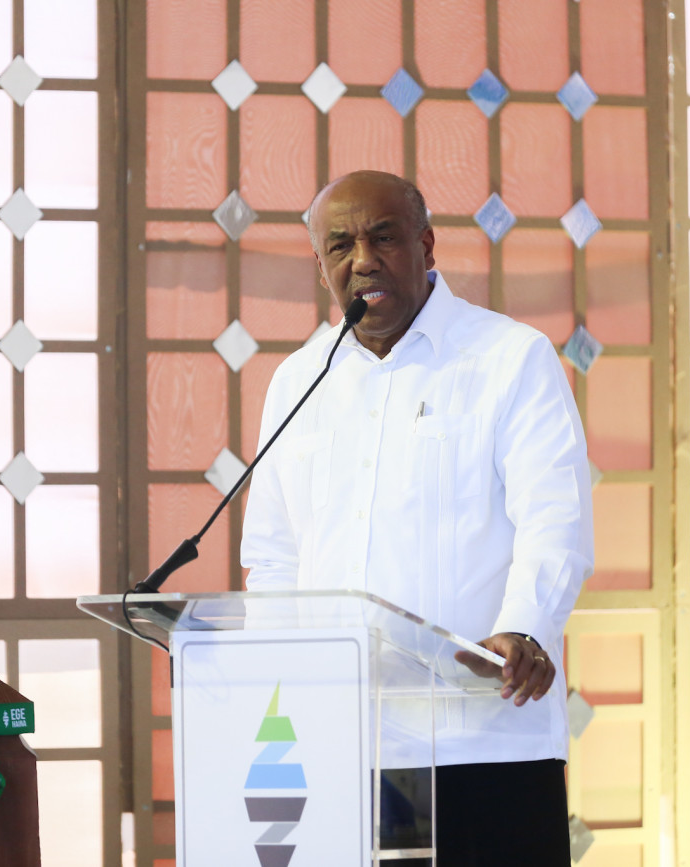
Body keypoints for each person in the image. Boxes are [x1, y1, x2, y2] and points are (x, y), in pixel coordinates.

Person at [241, 170, 594, 865]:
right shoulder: (298, 381)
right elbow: (275, 555)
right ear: (320, 264)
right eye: (340, 245)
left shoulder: (509, 358)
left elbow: (555, 519)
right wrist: (274, 684)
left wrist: (526, 626)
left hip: (484, 746)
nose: (363, 260)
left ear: (426, 246)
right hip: (341, 746)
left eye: (383, 238)